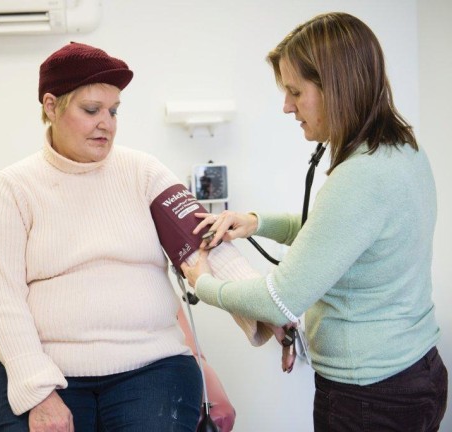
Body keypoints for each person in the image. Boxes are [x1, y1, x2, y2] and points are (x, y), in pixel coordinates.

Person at [0, 41, 277, 432]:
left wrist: (272, 306)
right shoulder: (15, 186)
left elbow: (203, 242)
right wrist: (38, 392)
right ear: (51, 107)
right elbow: (2, 299)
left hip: (151, 366)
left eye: (114, 111)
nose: (108, 123)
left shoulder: (143, 172)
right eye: (92, 110)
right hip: (49, 368)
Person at [181, 12, 448, 432]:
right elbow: (336, 232)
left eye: (294, 92)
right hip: (415, 372)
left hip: (370, 398)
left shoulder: (360, 178)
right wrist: (255, 222)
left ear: (336, 87)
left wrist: (202, 283)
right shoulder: (399, 149)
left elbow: (278, 300)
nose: (286, 106)